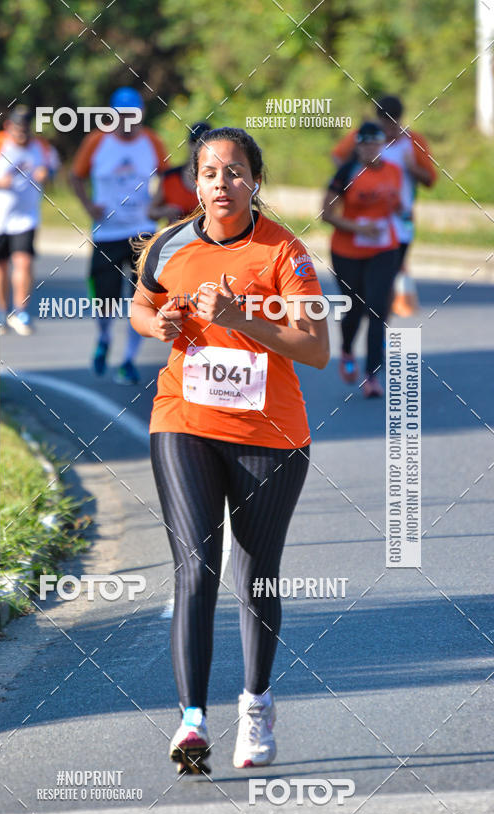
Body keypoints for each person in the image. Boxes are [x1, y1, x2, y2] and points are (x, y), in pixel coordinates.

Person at [130, 127, 329, 774]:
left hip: (269, 436)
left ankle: (256, 701)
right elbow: (142, 304)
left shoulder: (284, 253)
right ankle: (191, 719)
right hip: (182, 419)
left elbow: (317, 348)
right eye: (211, 172)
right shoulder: (168, 243)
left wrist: (243, 319)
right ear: (195, 183)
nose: (223, 182)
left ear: (256, 182)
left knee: (256, 574)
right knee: (195, 563)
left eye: (236, 171)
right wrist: (154, 323)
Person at [70, 86, 168, 385]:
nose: (128, 121)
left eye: (133, 115)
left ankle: (128, 360)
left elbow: (168, 176)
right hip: (107, 233)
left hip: (142, 231)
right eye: (122, 115)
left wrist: (156, 204)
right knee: (106, 299)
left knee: (142, 297)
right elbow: (75, 175)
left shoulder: (152, 141)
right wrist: (88, 205)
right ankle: (103, 338)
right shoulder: (97, 141)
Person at [332, 95, 437, 315]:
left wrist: (411, 168)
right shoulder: (365, 136)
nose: (389, 129)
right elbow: (338, 157)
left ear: (400, 120)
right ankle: (371, 314)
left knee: (391, 272)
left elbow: (430, 179)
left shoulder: (413, 141)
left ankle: (381, 317)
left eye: (394, 124)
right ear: (378, 119)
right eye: (385, 124)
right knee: (367, 278)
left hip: (402, 218)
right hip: (364, 221)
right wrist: (354, 174)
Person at [322, 121, 402, 398]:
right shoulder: (347, 172)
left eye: (375, 144)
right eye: (365, 144)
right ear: (357, 146)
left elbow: (398, 205)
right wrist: (359, 228)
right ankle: (346, 350)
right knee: (354, 308)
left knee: (378, 308)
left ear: (383, 145)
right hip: (347, 251)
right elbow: (326, 214)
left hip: (384, 248)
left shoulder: (394, 171)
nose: (370, 149)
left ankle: (371, 376)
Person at [0, 106, 59, 336]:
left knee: (24, 261)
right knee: (0, 265)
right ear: (8, 127)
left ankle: (21, 311)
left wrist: (47, 174)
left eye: (25, 130)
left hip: (26, 217)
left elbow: (54, 167)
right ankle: (1, 312)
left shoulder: (42, 147)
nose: (21, 134)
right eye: (17, 129)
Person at [148, 121, 211, 222]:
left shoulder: (219, 179)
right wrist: (165, 211)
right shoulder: (170, 177)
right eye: (195, 142)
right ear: (188, 144)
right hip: (176, 236)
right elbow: (151, 212)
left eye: (205, 144)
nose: (199, 147)